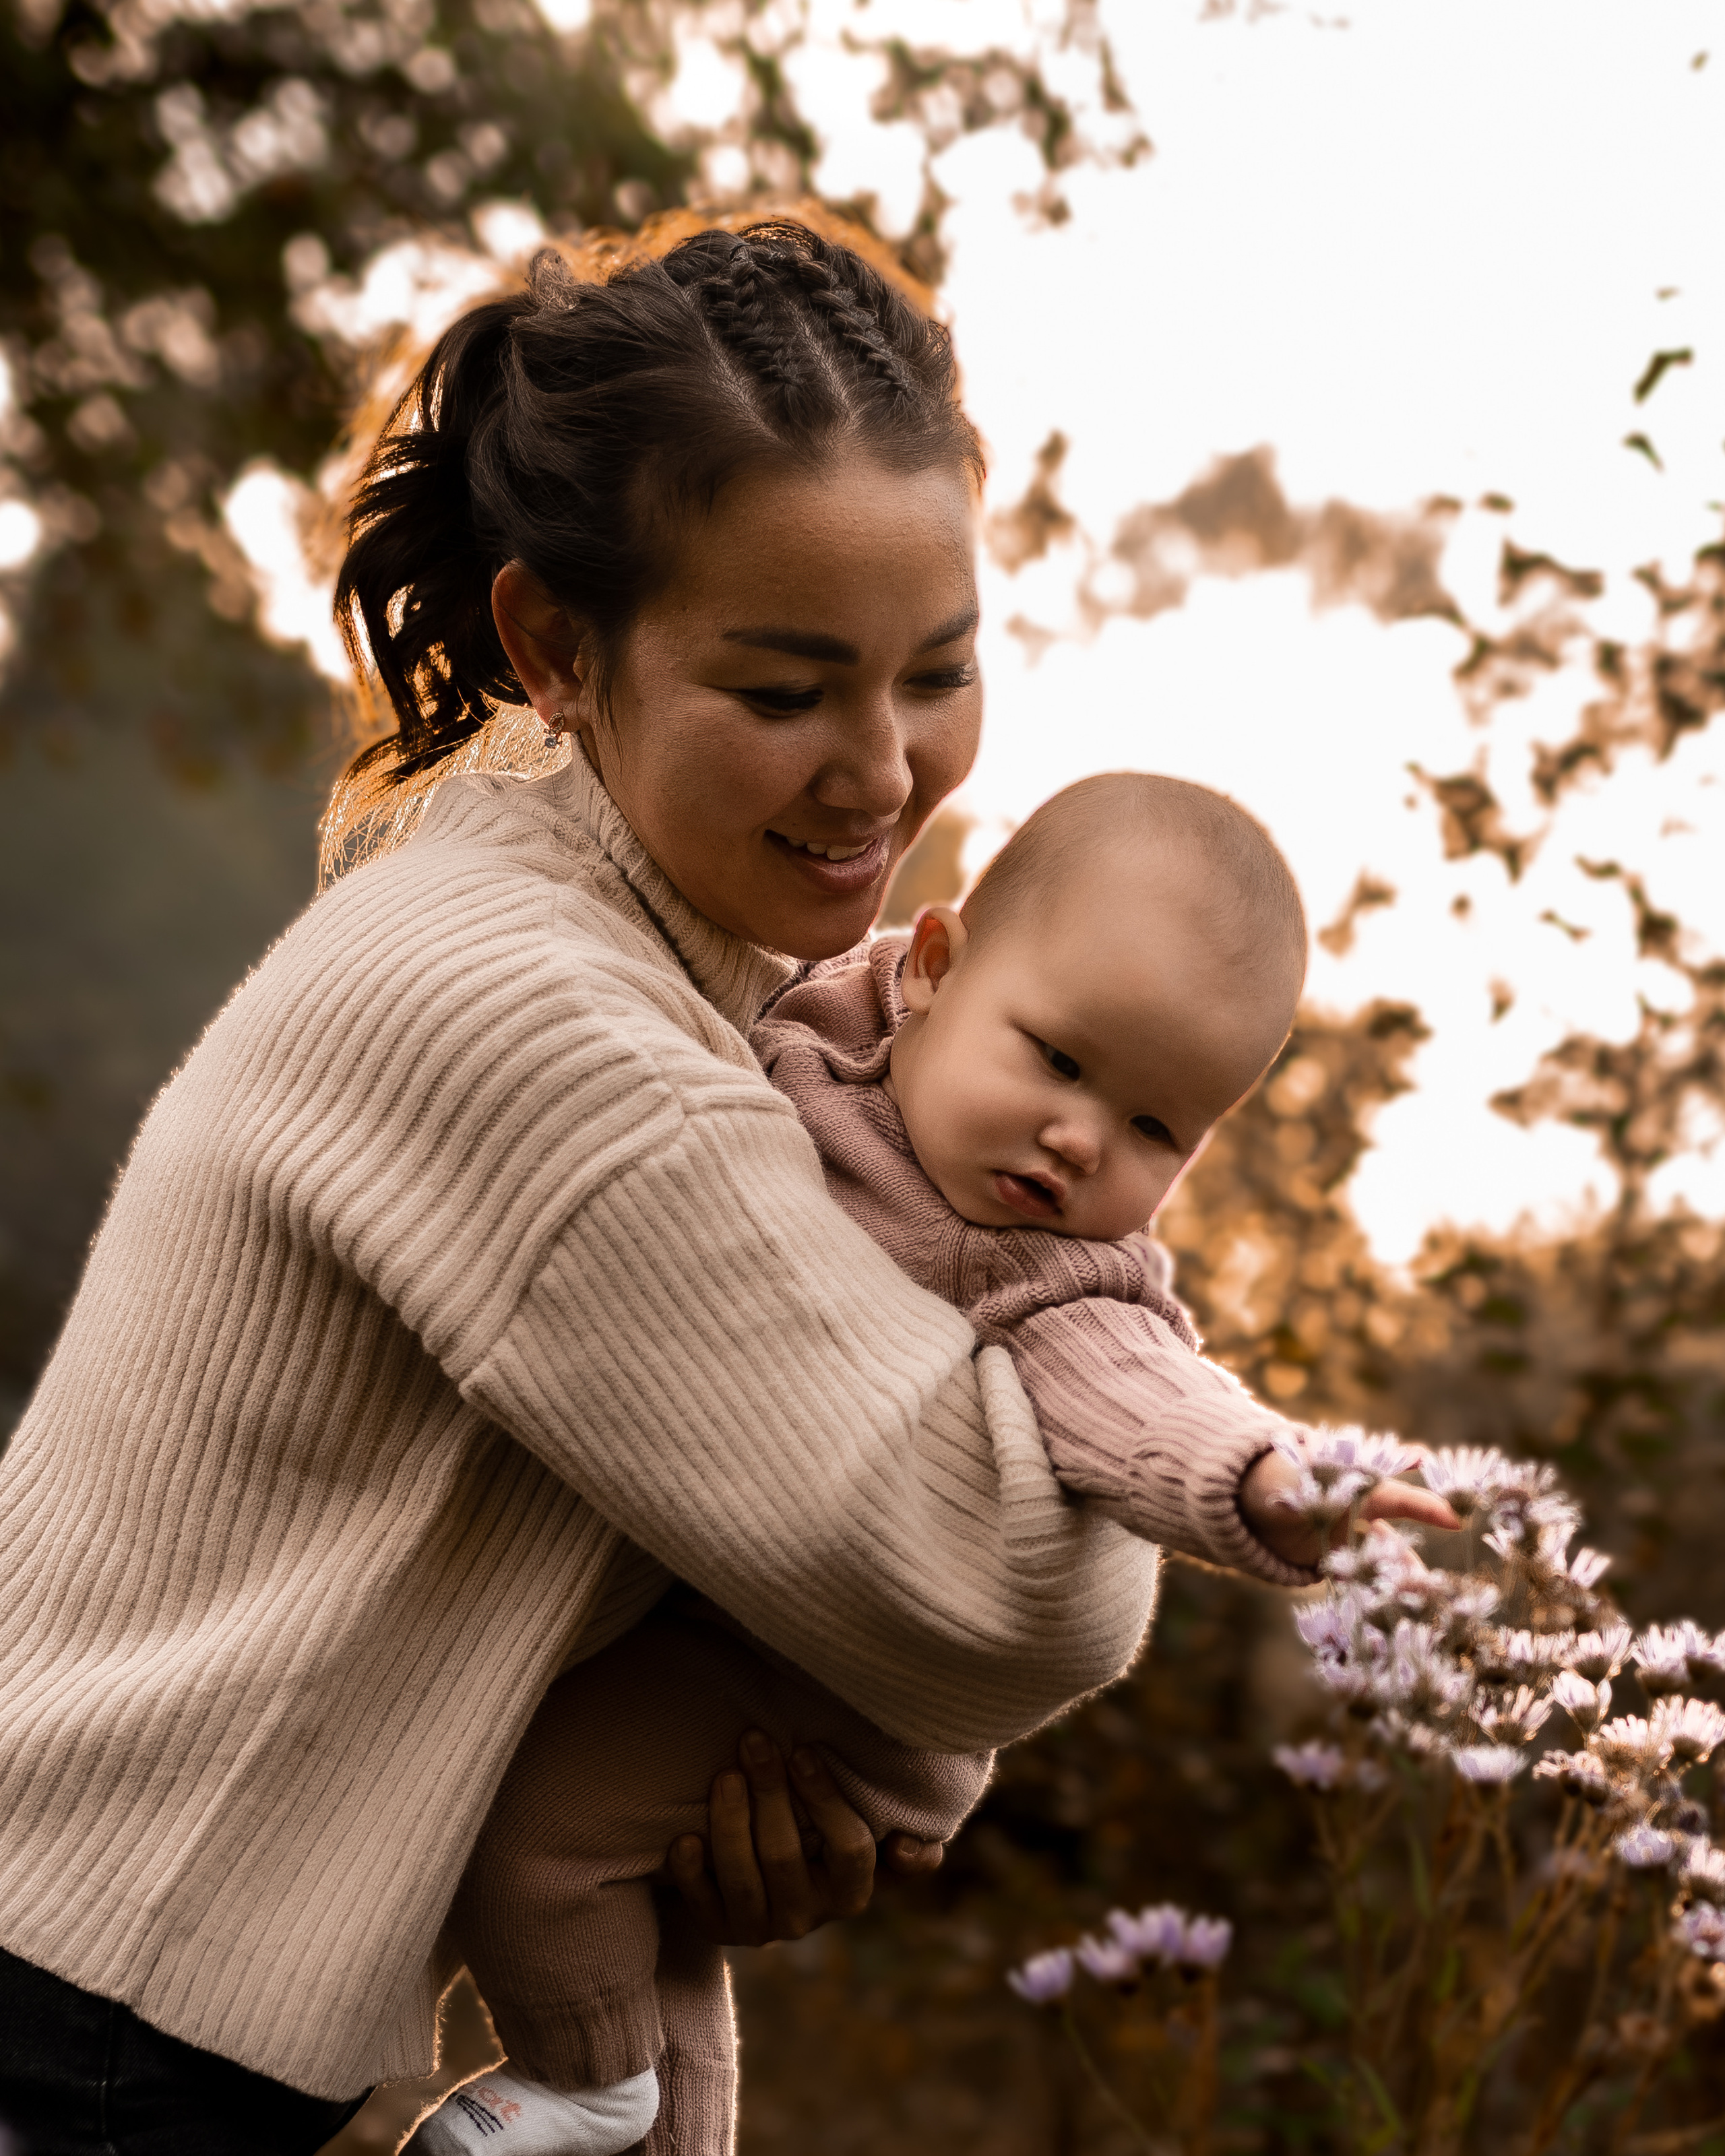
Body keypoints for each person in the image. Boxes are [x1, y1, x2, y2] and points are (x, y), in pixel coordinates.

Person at [0, 218, 1158, 2155]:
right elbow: (1024, 1599)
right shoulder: (544, 1028)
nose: (884, 771)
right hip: (82, 2019)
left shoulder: (642, 934)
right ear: (553, 645)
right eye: (787, 690)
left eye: (940, 671)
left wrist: (700, 1767)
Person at [413, 774, 1457, 2156]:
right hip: (722, 1598)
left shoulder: (1051, 1272)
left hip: (820, 1686)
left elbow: (1143, 1400)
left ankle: (587, 2081)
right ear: (934, 965)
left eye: (1157, 1129)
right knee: (651, 1919)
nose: (1080, 1138)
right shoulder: (801, 1024)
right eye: (1061, 1060)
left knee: (541, 1835)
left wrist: (1274, 1480)